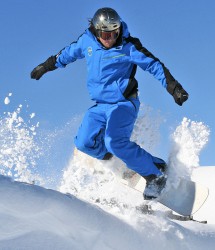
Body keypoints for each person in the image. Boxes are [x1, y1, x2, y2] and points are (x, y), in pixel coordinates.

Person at [31, 7, 188, 200]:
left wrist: (174, 88)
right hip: (100, 105)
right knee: (84, 142)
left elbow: (154, 65)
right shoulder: (86, 41)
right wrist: (45, 67)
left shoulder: (129, 46)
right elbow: (66, 54)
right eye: (105, 34)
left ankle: (155, 175)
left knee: (114, 141)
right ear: (97, 31)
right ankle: (122, 164)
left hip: (123, 103)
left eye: (114, 33)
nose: (110, 38)